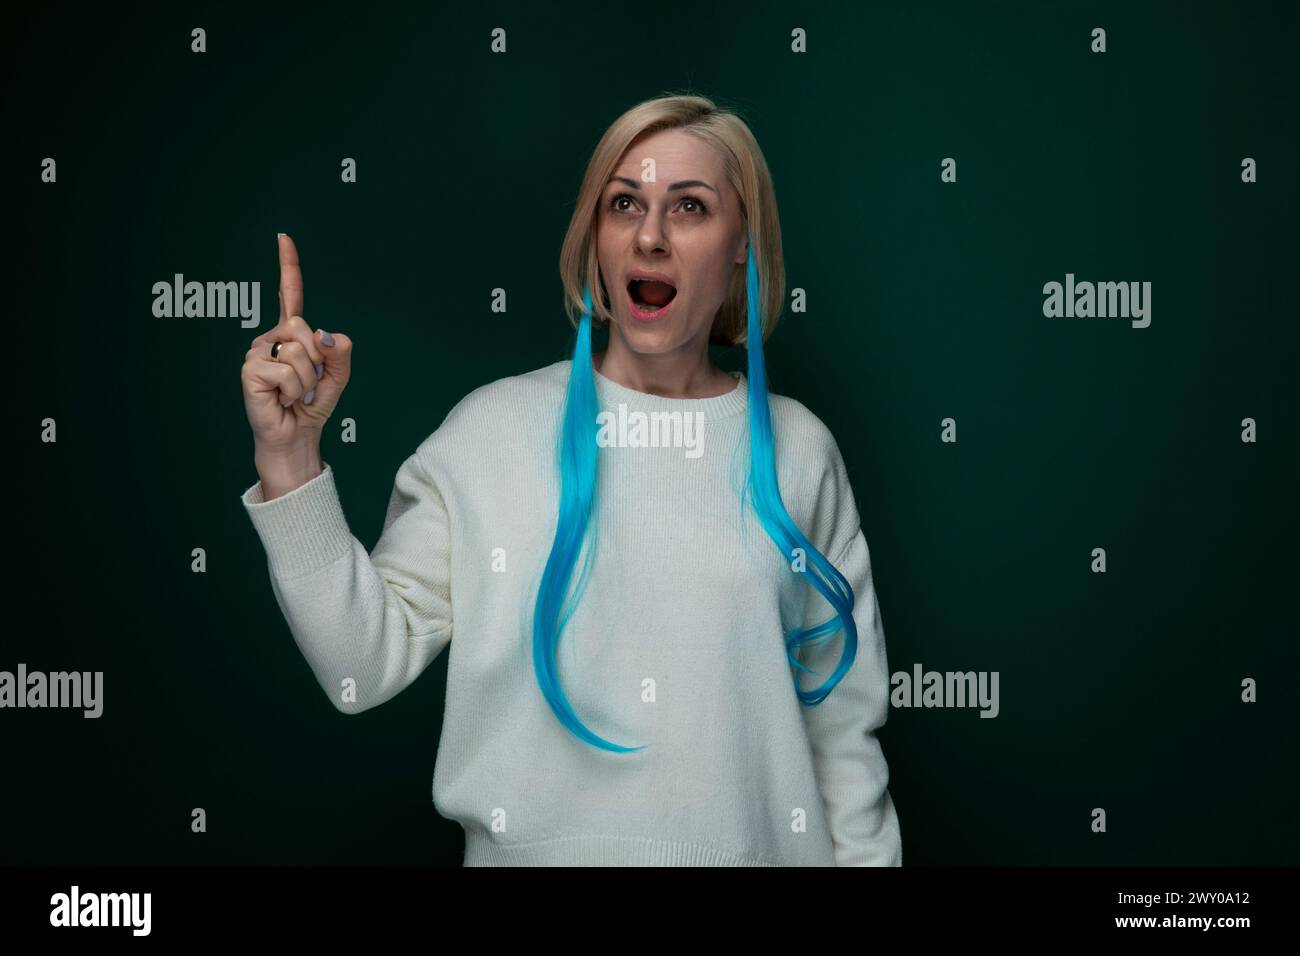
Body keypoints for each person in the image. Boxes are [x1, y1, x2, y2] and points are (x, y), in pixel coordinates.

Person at [238, 93, 902, 866]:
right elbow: (360, 665)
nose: (650, 236)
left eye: (689, 207)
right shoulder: (491, 430)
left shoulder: (800, 450)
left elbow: (842, 739)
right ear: (597, 236)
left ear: (743, 245)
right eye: (625, 204)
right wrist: (290, 459)